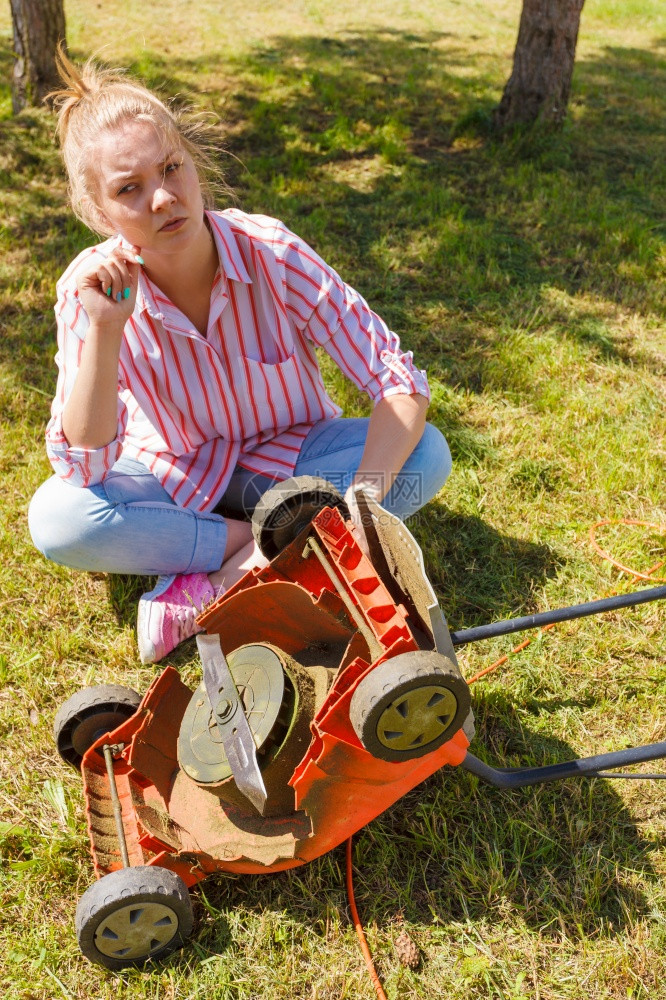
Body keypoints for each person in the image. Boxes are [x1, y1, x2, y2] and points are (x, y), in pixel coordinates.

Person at [28, 50, 452, 665]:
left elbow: (395, 377)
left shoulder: (270, 252)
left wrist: (358, 502)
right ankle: (269, 555)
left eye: (172, 169)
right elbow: (85, 466)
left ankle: (218, 582)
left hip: (292, 470)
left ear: (194, 164)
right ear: (99, 212)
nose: (163, 198)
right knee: (60, 519)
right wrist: (105, 329)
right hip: (175, 477)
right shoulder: (90, 290)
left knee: (427, 454)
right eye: (130, 189)